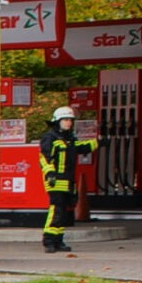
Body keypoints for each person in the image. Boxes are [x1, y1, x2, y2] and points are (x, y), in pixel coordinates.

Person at [39, 105, 99, 254]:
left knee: (64, 212)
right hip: (55, 179)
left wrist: (99, 142)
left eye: (70, 120)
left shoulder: (70, 138)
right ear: (57, 121)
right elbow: (44, 157)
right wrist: (50, 173)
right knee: (56, 209)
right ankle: (49, 241)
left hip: (68, 180)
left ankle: (59, 240)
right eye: (65, 120)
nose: (68, 123)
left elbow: (82, 147)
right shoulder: (50, 137)